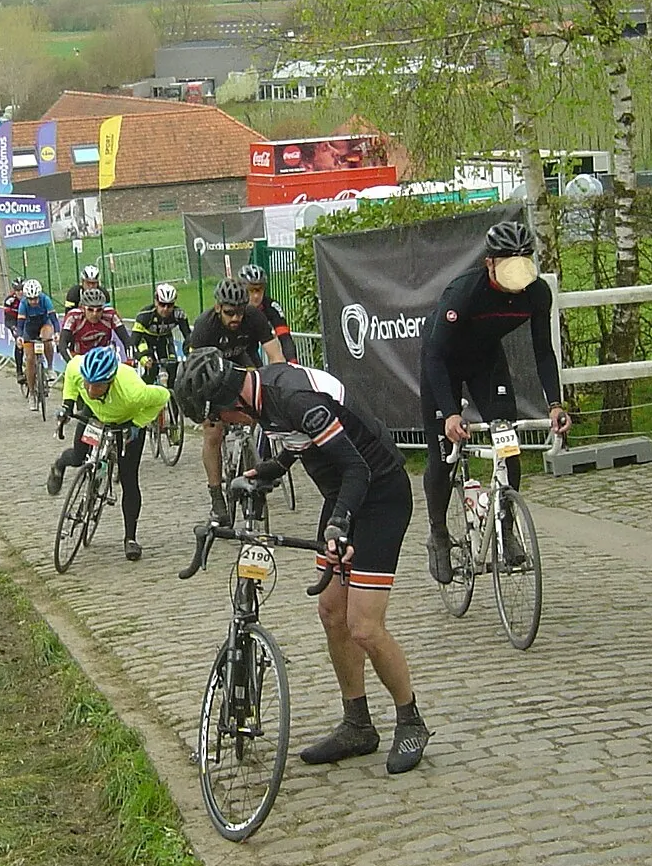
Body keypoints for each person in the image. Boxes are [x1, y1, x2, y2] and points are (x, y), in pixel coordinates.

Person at [173, 348, 431, 774]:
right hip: (342, 494)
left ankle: (410, 719)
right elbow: (298, 442)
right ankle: (357, 724)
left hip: (378, 493)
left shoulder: (292, 398)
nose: (217, 427)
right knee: (331, 611)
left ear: (231, 402)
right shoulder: (260, 399)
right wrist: (273, 468)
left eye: (216, 417)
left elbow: (357, 467)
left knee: (363, 626)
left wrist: (340, 524)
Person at [419, 219, 571, 584]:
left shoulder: (535, 293)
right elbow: (435, 357)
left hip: (486, 361)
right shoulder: (465, 292)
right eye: (508, 263)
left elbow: (543, 352)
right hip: (443, 362)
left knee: (507, 440)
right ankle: (438, 534)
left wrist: (554, 404)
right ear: (490, 263)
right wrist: (451, 414)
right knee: (443, 455)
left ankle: (506, 528)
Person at [46, 343, 166, 561]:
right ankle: (60, 465)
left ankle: (130, 538)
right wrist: (67, 405)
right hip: (94, 415)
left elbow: (162, 397)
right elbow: (72, 382)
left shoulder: (133, 391)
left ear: (110, 382)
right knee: (78, 456)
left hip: (126, 423)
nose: (91, 391)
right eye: (88, 384)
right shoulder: (77, 367)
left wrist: (137, 424)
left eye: (98, 386)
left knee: (129, 479)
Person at [191, 275, 286, 521]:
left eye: (240, 313)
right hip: (211, 370)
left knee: (257, 411)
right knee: (213, 432)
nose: (236, 318)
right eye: (230, 313)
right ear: (218, 308)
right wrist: (206, 409)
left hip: (242, 363)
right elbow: (196, 372)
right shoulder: (205, 326)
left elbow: (276, 356)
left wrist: (281, 384)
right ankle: (216, 495)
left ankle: (251, 466)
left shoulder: (254, 316)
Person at [132, 282, 191, 385]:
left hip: (165, 339)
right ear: (156, 302)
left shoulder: (179, 314)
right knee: (151, 368)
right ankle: (146, 388)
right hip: (145, 340)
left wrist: (190, 353)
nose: (165, 309)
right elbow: (133, 341)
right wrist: (142, 357)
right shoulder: (145, 315)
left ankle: (172, 395)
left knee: (172, 367)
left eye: (170, 305)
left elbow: (188, 337)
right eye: (162, 304)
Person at [239, 262, 298, 362]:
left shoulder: (270, 306)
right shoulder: (236, 307)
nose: (256, 296)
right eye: (251, 290)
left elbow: (285, 338)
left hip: (252, 350)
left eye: (259, 290)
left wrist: (293, 364)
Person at [58, 284, 129, 359]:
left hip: (104, 356)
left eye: (99, 310)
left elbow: (126, 339)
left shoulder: (110, 315)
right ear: (83, 308)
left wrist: (131, 359)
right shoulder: (73, 316)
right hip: (79, 357)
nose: (95, 314)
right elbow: (62, 345)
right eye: (90, 310)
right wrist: (70, 361)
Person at [17, 279, 61, 397]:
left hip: (44, 324)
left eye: (36, 298)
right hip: (29, 329)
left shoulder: (45, 300)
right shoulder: (23, 304)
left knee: (47, 338)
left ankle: (50, 367)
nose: (34, 301)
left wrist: (57, 333)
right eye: (31, 299)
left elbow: (54, 319)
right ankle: (31, 392)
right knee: (30, 359)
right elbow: (20, 324)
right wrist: (19, 337)